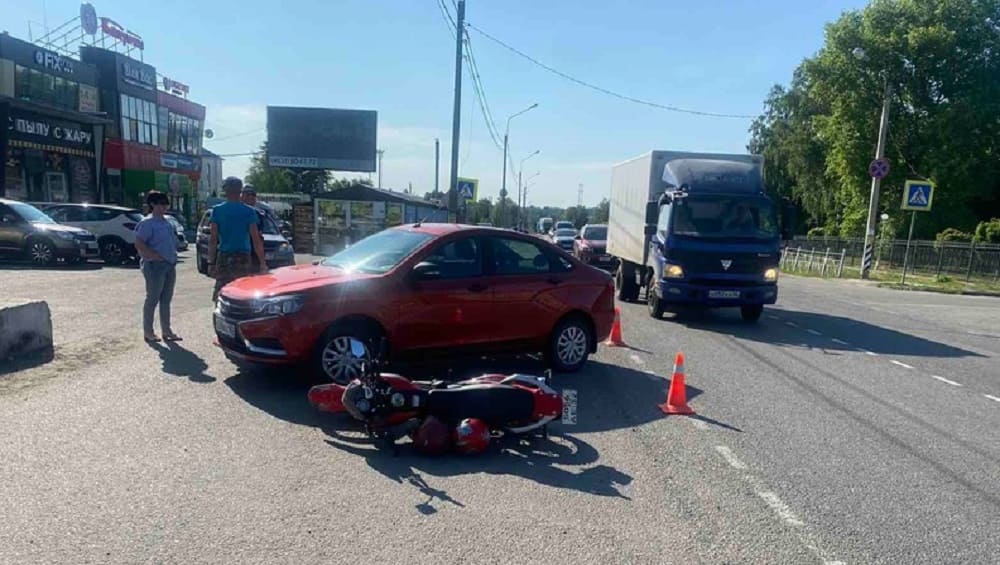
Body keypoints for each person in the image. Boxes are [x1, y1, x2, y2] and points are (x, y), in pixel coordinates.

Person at [208, 177, 268, 301]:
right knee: (242, 292)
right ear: (240, 191)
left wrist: (211, 262)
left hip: (224, 255)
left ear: (225, 191)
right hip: (243, 257)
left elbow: (213, 239)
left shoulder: (217, 211)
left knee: (222, 292)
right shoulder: (249, 212)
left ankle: (222, 316)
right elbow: (256, 240)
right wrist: (262, 263)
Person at [134, 191, 180, 342]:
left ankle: (166, 331)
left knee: (166, 299)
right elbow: (139, 243)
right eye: (160, 204)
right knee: (152, 299)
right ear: (152, 204)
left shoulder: (167, 222)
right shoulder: (147, 223)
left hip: (169, 264)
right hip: (154, 266)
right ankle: (148, 332)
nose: (163, 207)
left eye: (165, 204)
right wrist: (154, 256)